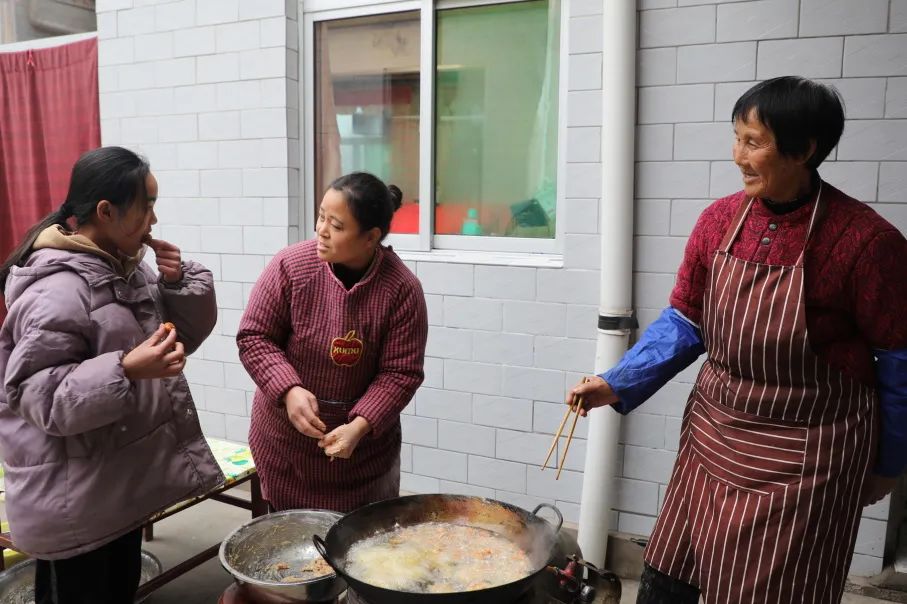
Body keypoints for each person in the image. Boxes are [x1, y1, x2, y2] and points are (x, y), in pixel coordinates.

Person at [569, 76, 907, 603]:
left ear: (804, 149)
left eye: (754, 142)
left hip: (807, 456)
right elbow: (686, 320)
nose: (738, 156)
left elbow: (899, 361)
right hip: (713, 436)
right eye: (737, 138)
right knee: (667, 579)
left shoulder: (866, 241)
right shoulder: (719, 221)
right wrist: (617, 382)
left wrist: (888, 464)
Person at [0, 146, 223, 604]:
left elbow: (176, 340)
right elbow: (39, 398)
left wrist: (178, 284)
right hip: (72, 502)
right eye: (147, 206)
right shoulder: (57, 290)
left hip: (114, 487)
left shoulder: (126, 269)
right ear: (106, 211)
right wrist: (124, 369)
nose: (154, 220)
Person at [237, 172, 428, 512]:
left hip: (363, 457)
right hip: (286, 447)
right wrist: (289, 390)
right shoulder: (290, 266)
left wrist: (359, 426)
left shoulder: (401, 289)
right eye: (321, 216)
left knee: (360, 536)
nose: (321, 230)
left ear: (371, 237)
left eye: (336, 225)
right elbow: (255, 336)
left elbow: (400, 373)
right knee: (289, 534)